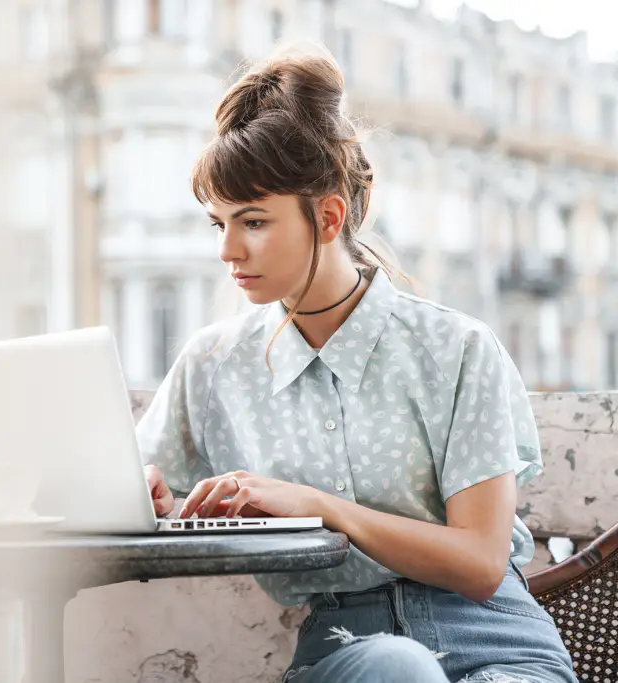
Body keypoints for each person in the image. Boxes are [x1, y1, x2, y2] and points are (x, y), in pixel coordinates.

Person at [135, 45, 577, 683]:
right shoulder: (213, 365)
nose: (229, 249)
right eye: (219, 224)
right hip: (348, 652)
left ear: (328, 216)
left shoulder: (457, 349)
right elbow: (153, 499)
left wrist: (321, 506)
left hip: (501, 649)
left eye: (253, 221)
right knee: (397, 668)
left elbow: (482, 563)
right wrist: (144, 498)